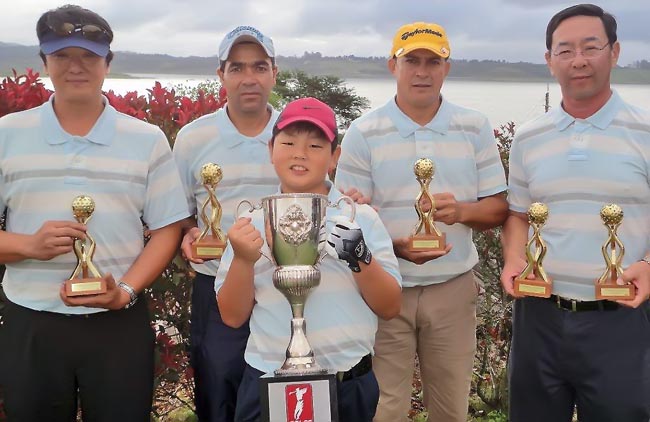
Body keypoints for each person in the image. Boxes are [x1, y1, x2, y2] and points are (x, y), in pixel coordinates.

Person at [0, 4, 189, 421]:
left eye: (88, 55)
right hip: (31, 319)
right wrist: (28, 245)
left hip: (118, 322)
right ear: (43, 61)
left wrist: (124, 291)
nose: (75, 67)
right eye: (62, 55)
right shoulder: (6, 134)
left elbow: (166, 231)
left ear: (108, 61)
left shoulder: (147, 139)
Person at [335, 22, 508, 422]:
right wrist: (395, 247)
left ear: (447, 68)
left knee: (450, 408)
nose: (422, 71)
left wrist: (462, 212)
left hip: (452, 289)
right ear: (392, 65)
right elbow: (344, 222)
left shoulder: (474, 126)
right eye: (412, 60)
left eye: (434, 61)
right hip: (383, 290)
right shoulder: (364, 132)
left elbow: (498, 208)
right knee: (384, 410)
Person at [500, 4, 650, 422]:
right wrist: (514, 257)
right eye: (564, 50)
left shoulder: (645, 131)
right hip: (539, 318)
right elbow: (518, 214)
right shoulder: (529, 137)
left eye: (591, 47)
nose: (578, 60)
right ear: (549, 61)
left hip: (621, 319)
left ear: (615, 52)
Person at [214, 97, 403, 421]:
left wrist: (359, 256)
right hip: (267, 380)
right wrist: (244, 260)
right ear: (271, 148)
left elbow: (390, 306)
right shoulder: (252, 223)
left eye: (316, 145)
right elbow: (232, 316)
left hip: (347, 383)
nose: (300, 153)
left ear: (335, 157)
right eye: (288, 142)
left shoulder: (360, 218)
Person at [172, 25, 280, 421]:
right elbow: (179, 211)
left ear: (274, 72)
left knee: (283, 399)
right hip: (216, 288)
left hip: (285, 288)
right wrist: (187, 232)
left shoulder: (293, 134)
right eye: (236, 68)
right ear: (221, 75)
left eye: (259, 66)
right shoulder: (192, 138)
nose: (248, 78)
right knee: (219, 400)